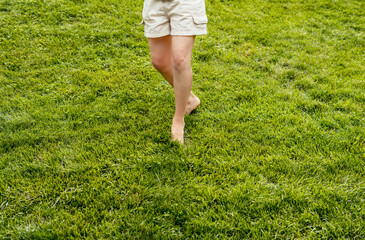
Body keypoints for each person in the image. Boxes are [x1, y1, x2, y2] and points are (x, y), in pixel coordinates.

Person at [141, 0, 208, 144]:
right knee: (159, 61)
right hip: (155, 3)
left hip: (185, 4)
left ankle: (178, 120)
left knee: (179, 60)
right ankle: (190, 99)